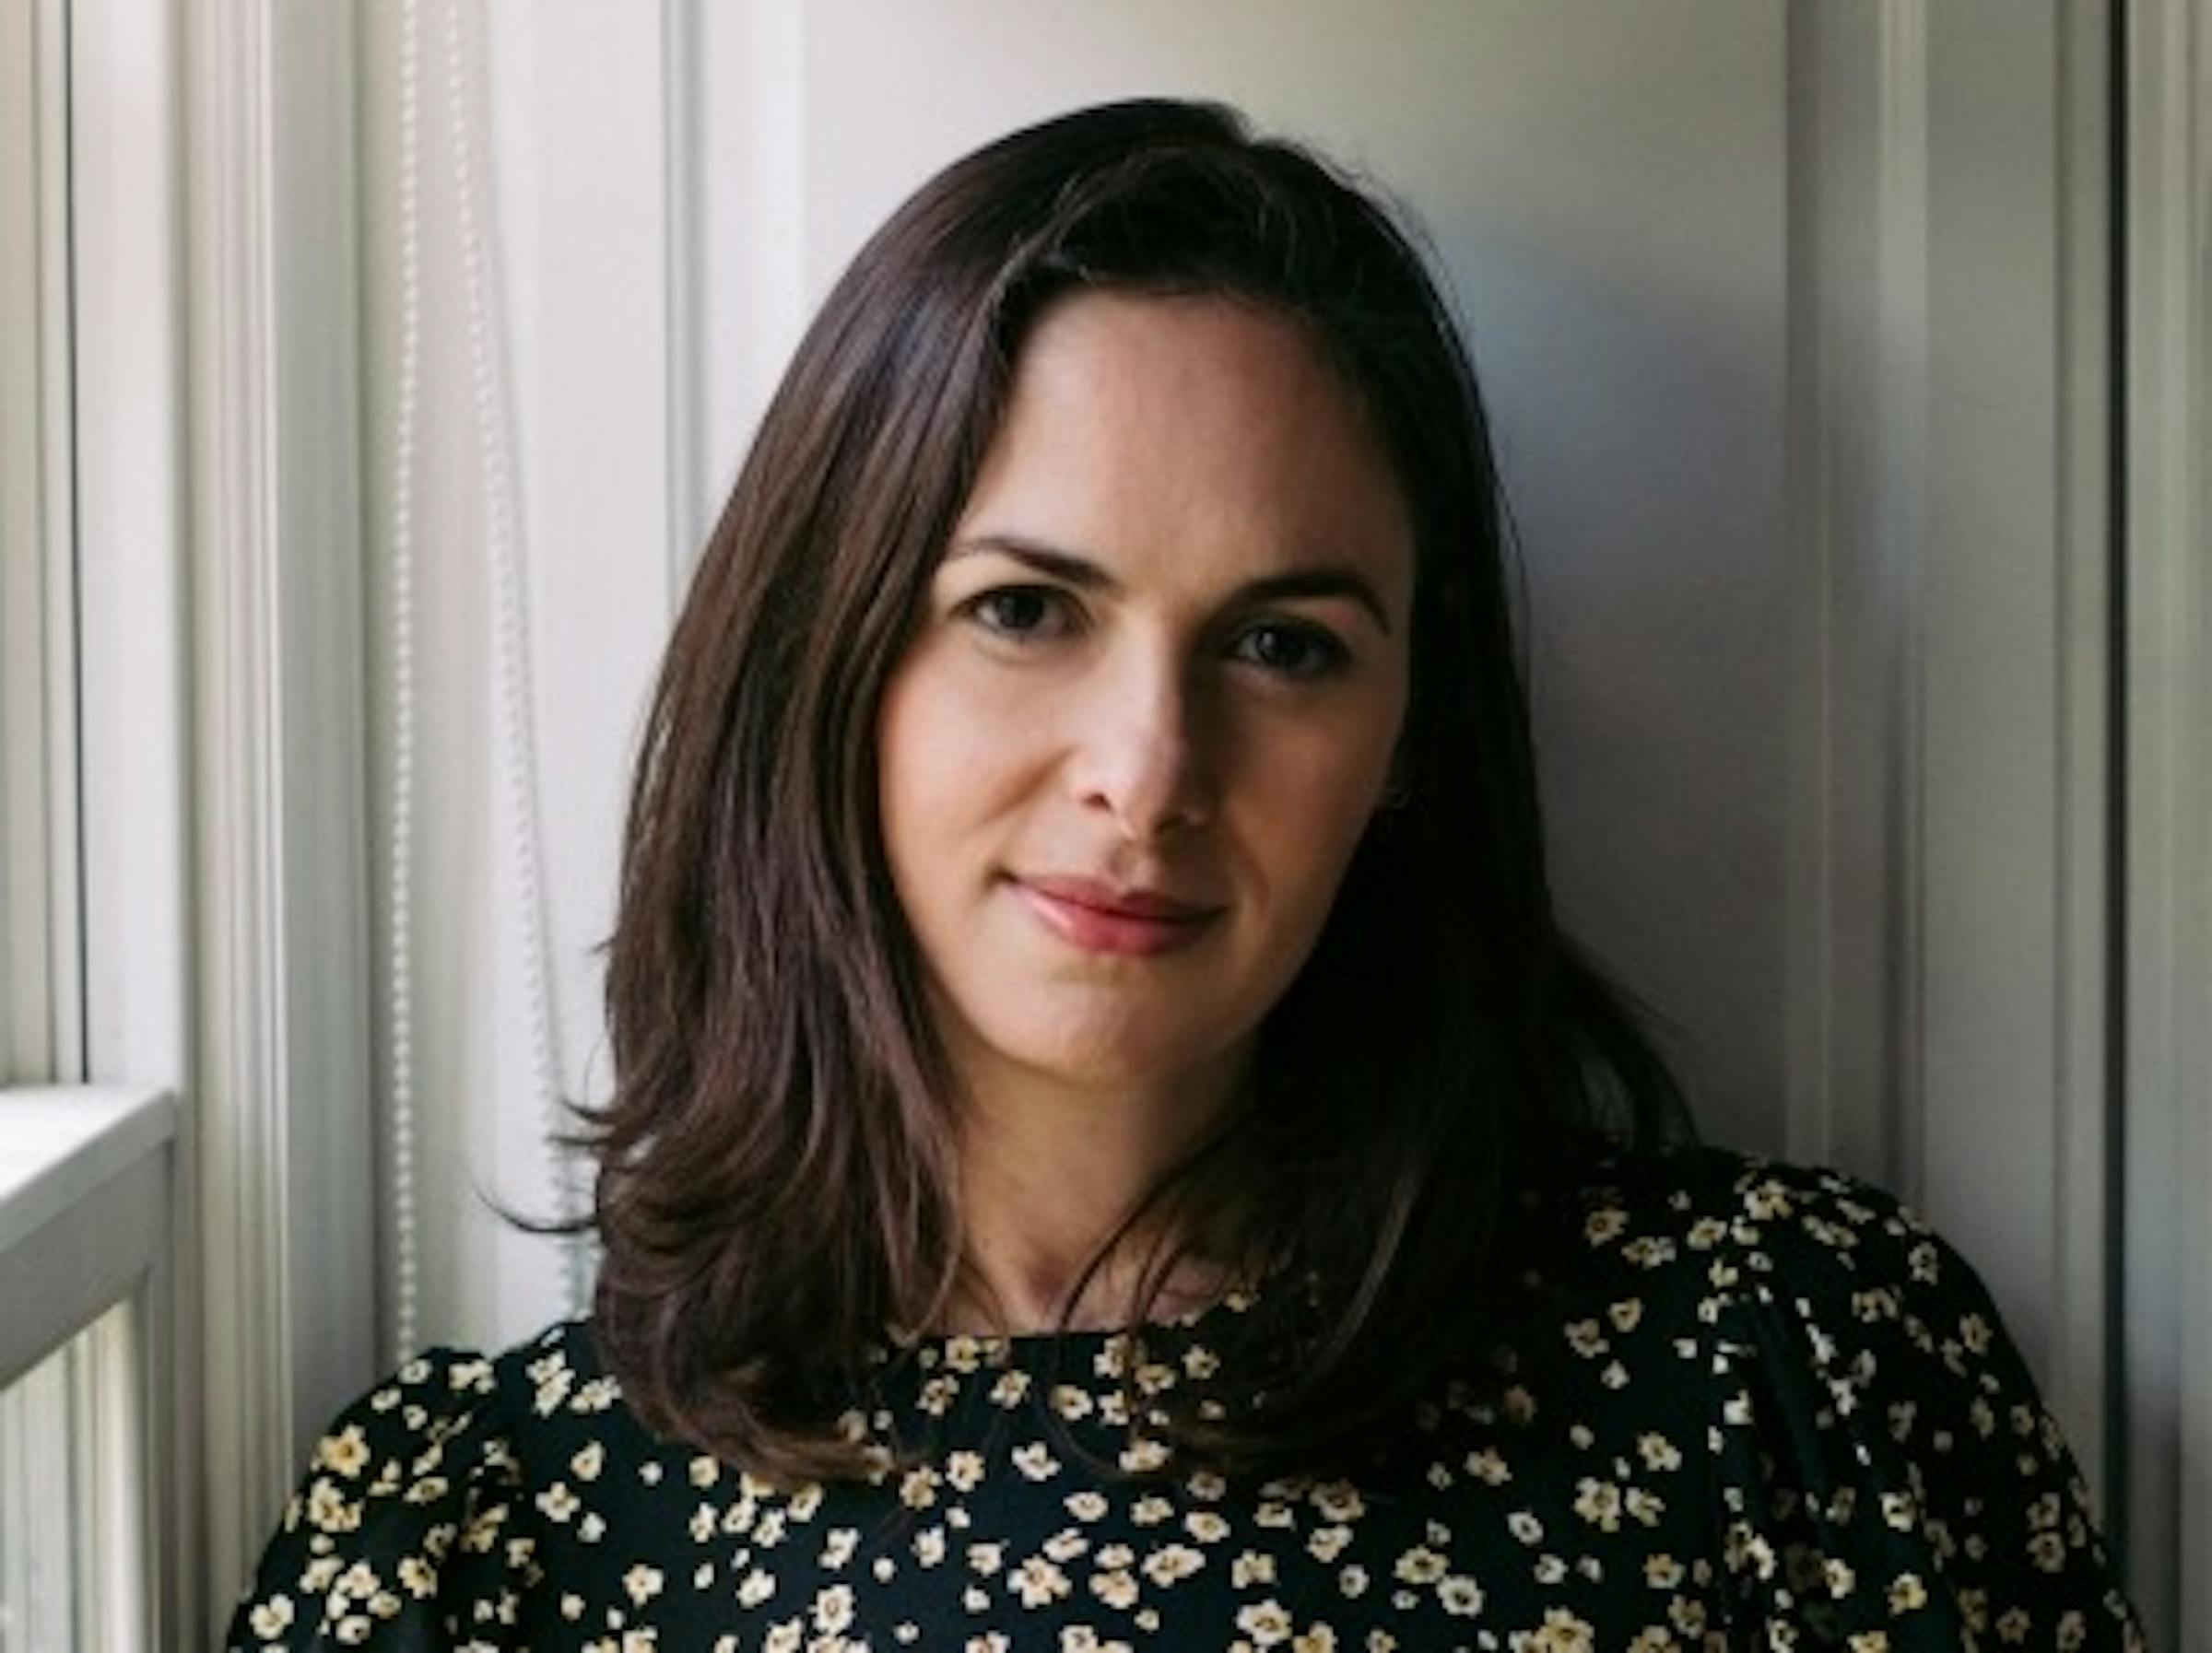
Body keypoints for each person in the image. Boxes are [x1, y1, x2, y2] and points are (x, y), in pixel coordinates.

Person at [229, 99, 2145, 1650]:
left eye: (1283, 645)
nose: (1147, 772)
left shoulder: (1780, 1372)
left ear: (1406, 737)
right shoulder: (483, 1541)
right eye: (1025, 609)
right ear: (830, 665)